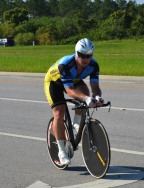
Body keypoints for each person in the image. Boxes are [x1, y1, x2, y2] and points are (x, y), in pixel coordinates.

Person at [44, 38, 104, 166]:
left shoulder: (93, 65)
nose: (86, 59)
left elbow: (95, 87)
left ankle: (76, 122)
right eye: (82, 55)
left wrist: (97, 97)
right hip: (54, 82)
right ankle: (61, 151)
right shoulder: (65, 64)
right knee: (59, 114)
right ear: (77, 54)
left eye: (89, 56)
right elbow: (70, 91)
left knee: (86, 93)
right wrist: (87, 99)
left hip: (74, 80)